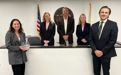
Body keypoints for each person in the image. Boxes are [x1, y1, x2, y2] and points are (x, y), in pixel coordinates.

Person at [89, 6, 118, 75]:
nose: (104, 14)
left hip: (106, 53)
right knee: (96, 72)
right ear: (99, 13)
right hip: (95, 54)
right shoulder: (93, 25)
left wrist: (102, 51)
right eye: (102, 12)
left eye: (106, 12)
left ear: (108, 14)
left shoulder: (113, 24)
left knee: (106, 72)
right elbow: (90, 39)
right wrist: (95, 50)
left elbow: (112, 40)